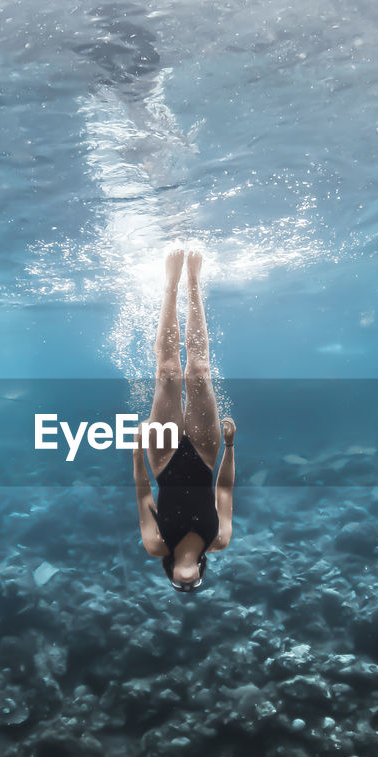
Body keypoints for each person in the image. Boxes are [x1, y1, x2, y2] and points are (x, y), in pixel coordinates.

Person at [133, 249, 235, 591]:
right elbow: (223, 488)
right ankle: (193, 281)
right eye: (195, 585)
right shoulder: (219, 540)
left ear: (171, 575)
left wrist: (136, 451)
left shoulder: (155, 545)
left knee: (167, 373)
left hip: (162, 461)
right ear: (203, 574)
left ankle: (171, 283)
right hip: (207, 456)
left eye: (181, 586)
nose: (188, 584)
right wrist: (231, 447)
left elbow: (142, 493)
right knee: (199, 373)